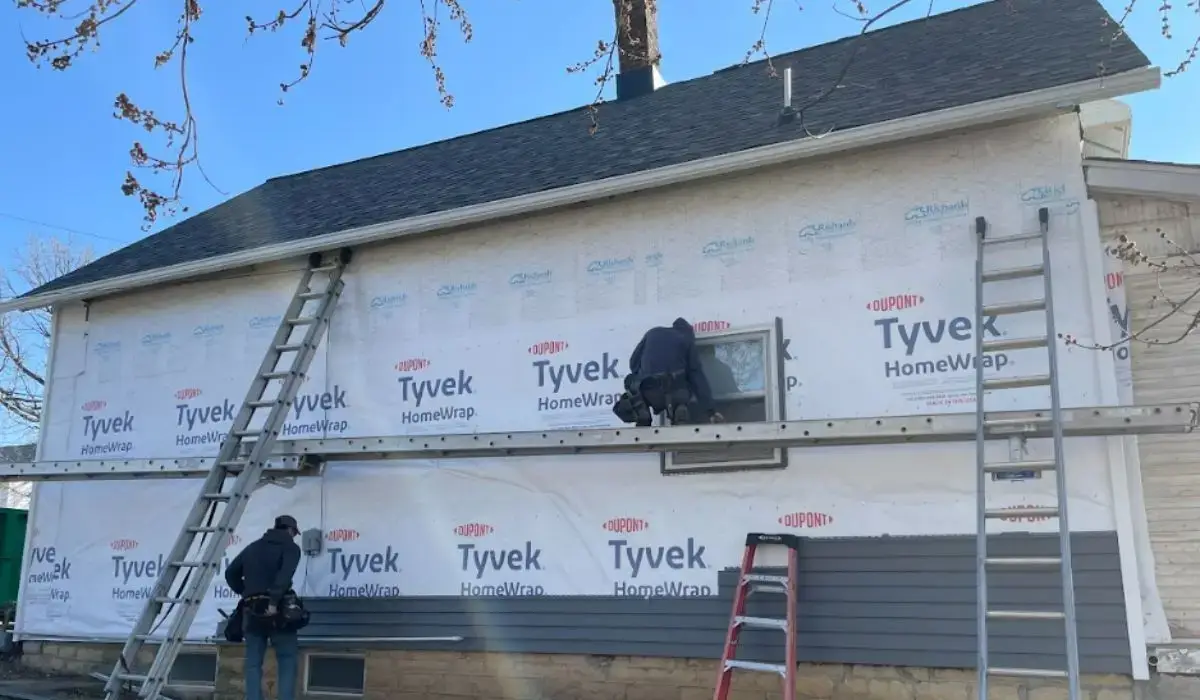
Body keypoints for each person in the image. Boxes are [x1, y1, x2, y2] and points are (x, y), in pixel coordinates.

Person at [224, 515, 303, 700]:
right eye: (294, 533)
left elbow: (230, 573)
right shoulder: (290, 548)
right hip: (279, 610)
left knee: (253, 663)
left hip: (252, 608)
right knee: (287, 659)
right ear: (291, 530)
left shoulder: (252, 547)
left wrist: (246, 592)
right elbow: (284, 577)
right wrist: (273, 602)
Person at [616, 317, 724, 426]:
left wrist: (644, 374)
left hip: (648, 391)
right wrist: (711, 411)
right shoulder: (686, 339)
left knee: (633, 381)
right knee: (686, 381)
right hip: (675, 392)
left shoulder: (652, 333)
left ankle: (642, 411)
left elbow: (633, 362)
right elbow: (697, 376)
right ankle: (679, 409)